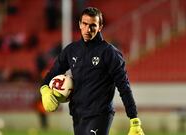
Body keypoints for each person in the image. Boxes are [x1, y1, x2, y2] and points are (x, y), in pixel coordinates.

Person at [39, 7, 145, 135]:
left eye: (93, 25)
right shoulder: (71, 50)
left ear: (100, 27)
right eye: (84, 24)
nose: (88, 29)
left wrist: (134, 119)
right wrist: (45, 90)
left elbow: (124, 86)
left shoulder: (109, 53)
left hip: (100, 114)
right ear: (79, 24)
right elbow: (52, 73)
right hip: (78, 114)